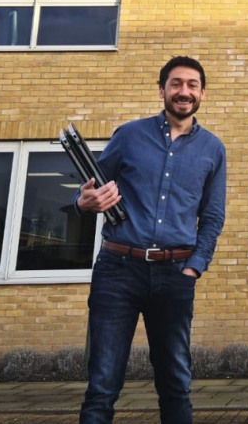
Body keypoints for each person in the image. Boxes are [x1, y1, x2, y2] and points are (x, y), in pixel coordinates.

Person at [74, 56, 226, 424]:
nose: (184, 92)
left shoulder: (213, 149)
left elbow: (213, 216)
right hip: (118, 271)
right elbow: (90, 189)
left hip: (176, 273)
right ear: (162, 90)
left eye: (192, 85)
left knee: (176, 383)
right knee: (103, 385)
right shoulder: (128, 136)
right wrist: (82, 202)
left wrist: (195, 267)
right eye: (176, 84)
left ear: (202, 92)